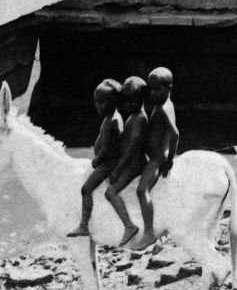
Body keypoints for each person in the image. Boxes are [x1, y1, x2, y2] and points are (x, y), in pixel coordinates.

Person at [129, 66, 179, 250]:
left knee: (142, 191)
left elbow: (175, 134)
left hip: (158, 158)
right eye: (151, 89)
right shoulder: (167, 105)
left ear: (169, 88)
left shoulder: (163, 108)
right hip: (156, 154)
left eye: (157, 89)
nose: (153, 93)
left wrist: (170, 160)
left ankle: (149, 232)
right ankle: (159, 227)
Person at [67, 79, 124, 237]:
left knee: (86, 189)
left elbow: (106, 148)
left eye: (101, 102)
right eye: (96, 102)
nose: (97, 106)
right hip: (110, 162)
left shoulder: (110, 121)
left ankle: (84, 225)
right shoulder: (113, 117)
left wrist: (96, 160)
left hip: (107, 164)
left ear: (112, 102)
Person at [104, 76, 149, 247]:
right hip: (130, 162)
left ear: (142, 99)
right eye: (126, 101)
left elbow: (132, 148)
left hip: (134, 165)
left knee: (111, 192)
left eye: (133, 101)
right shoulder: (133, 116)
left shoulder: (139, 119)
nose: (128, 104)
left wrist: (118, 169)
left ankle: (129, 226)